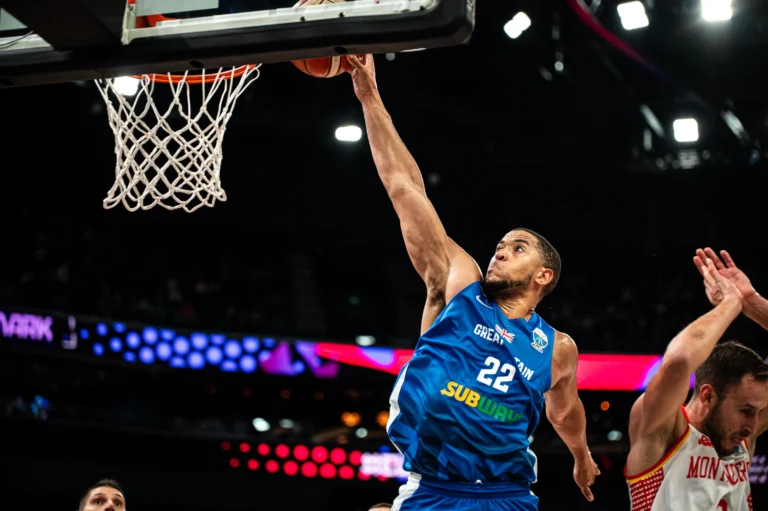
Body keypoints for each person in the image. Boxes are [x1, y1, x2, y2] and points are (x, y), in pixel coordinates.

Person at [345, 54, 599, 511]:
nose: (500, 251)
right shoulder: (460, 287)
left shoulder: (557, 348)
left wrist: (581, 456)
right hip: (434, 489)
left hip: (508, 496)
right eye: (500, 245)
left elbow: (565, 412)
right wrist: (370, 98)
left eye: (517, 248)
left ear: (543, 276)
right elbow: (405, 188)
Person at [624, 250, 768, 510]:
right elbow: (678, 361)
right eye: (746, 411)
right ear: (708, 395)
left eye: (757, 412)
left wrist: (752, 302)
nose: (753, 425)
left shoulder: (738, 439)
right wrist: (730, 304)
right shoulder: (664, 430)